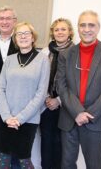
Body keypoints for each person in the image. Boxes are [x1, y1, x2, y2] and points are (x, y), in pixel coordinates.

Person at [56, 10, 101, 169]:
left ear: (98, 28)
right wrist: (77, 112)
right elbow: (61, 85)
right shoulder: (66, 54)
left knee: (93, 165)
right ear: (78, 28)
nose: (86, 29)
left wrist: (88, 114)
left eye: (91, 25)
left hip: (96, 119)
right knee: (67, 164)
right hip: (69, 118)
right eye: (82, 25)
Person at [0, 22, 50, 169]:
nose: (23, 36)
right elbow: (0, 88)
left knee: (23, 159)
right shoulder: (10, 59)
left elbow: (41, 93)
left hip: (28, 119)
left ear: (33, 37)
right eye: (19, 34)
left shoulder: (43, 59)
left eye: (27, 33)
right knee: (3, 157)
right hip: (5, 117)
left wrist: (19, 118)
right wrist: (7, 117)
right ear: (15, 39)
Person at [40, 18, 74, 169]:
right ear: (53, 33)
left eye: (63, 29)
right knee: (46, 141)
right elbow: (40, 76)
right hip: (46, 104)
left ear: (70, 32)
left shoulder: (76, 52)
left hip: (66, 105)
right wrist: (47, 97)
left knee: (61, 143)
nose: (60, 32)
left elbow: (75, 82)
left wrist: (58, 100)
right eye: (57, 29)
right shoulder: (45, 51)